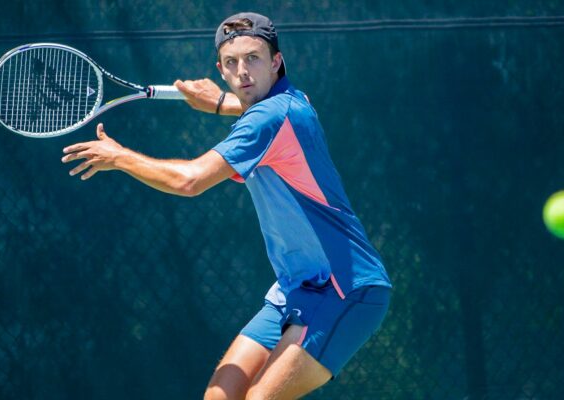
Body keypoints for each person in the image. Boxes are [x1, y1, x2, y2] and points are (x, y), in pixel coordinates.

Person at [61, 12, 391, 399]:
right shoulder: (292, 103)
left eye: (253, 58)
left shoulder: (268, 119)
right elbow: (272, 107)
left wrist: (119, 157)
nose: (243, 71)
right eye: (232, 63)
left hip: (345, 287)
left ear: (276, 62)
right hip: (295, 288)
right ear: (220, 70)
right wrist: (222, 104)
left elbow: (190, 180)